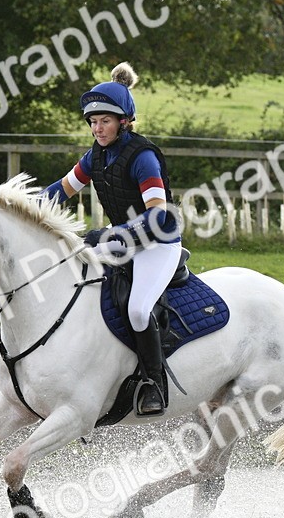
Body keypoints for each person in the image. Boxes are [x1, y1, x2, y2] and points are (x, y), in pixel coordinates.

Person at [42, 62, 187, 417]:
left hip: (158, 244)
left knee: (137, 309)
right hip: (123, 242)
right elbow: (61, 191)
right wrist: (14, 207)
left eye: (104, 121)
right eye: (92, 122)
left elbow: (158, 216)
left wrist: (110, 234)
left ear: (124, 121)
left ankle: (155, 385)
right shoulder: (95, 155)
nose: (97, 128)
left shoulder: (143, 157)